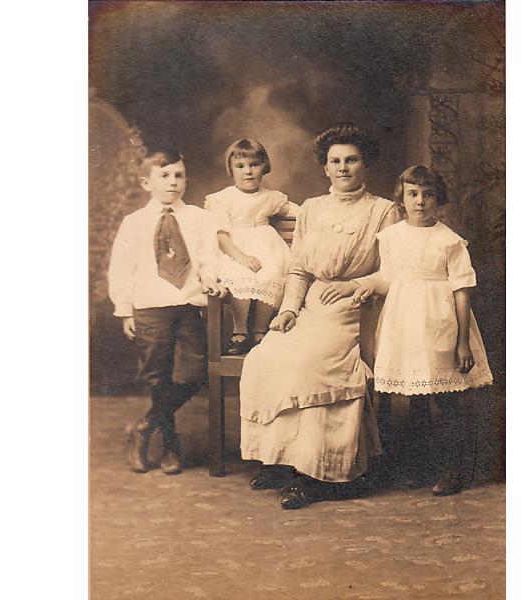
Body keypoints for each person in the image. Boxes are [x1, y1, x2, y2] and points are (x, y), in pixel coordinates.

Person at [239, 123, 400, 509]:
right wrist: (289, 309)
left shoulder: (383, 211)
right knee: (266, 356)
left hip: (354, 311)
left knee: (311, 363)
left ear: (365, 165)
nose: (343, 168)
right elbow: (298, 270)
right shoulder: (311, 208)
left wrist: (354, 285)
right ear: (325, 168)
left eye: (351, 160)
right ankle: (280, 460)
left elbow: (394, 271)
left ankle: (318, 472)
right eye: (335, 161)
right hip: (309, 306)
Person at [352, 165, 493, 495]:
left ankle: (454, 469)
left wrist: (462, 343)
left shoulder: (449, 241)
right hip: (403, 324)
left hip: (439, 323)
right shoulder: (390, 237)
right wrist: (365, 285)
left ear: (437, 198)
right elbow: (389, 279)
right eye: (413, 194)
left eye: (428, 194)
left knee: (444, 399)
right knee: (414, 398)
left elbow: (462, 290)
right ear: (401, 198)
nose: (420, 201)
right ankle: (422, 464)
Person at [108, 148, 226, 474]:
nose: (173, 182)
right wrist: (124, 309)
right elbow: (122, 267)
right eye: (164, 176)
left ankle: (144, 427)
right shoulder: (134, 223)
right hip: (149, 305)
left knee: (194, 373)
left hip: (187, 303)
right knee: (158, 377)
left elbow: (209, 259)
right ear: (146, 182)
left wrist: (211, 280)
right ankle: (171, 444)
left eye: (179, 175)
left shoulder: (199, 218)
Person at [205, 139, 299, 354]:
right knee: (239, 275)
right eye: (240, 166)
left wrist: (317, 214)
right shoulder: (222, 198)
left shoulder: (270, 197)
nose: (247, 172)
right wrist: (241, 257)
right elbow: (220, 234)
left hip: (267, 246)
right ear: (231, 169)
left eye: (253, 165)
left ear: (264, 167)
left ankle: (260, 331)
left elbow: (298, 211)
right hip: (234, 248)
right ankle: (240, 331)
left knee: (272, 273)